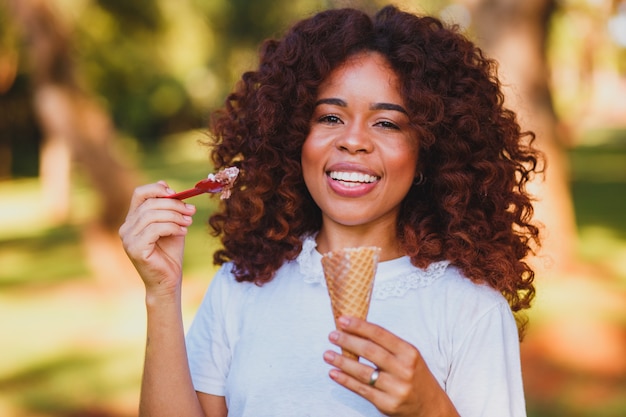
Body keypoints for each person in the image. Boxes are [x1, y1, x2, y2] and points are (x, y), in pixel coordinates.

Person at [119, 5, 542, 417]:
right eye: (330, 117)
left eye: (387, 123)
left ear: (429, 153)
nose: (353, 140)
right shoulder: (241, 286)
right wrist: (161, 293)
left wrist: (429, 409)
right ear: (293, 138)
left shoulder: (469, 308)